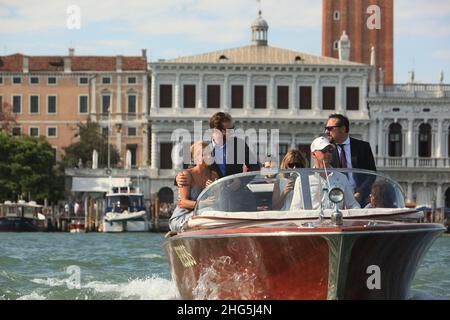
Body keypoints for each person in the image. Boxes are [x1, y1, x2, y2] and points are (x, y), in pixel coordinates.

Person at [290, 136, 360, 210]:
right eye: (324, 150)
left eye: (330, 150)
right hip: (312, 220)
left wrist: (360, 215)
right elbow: (295, 208)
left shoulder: (342, 178)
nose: (328, 153)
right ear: (313, 154)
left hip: (335, 220)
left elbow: (352, 204)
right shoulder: (302, 179)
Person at [325, 114, 376, 206]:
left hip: (360, 199)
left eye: (330, 128)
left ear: (343, 129)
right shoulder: (327, 151)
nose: (326, 132)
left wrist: (359, 194)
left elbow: (371, 175)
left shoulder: (363, 147)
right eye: (326, 128)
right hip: (335, 199)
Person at [169, 141, 220, 232]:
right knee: (210, 213)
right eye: (204, 154)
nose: (209, 157)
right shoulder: (187, 174)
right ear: (195, 158)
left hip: (204, 216)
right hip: (182, 217)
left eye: (210, 153)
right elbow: (183, 203)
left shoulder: (214, 175)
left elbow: (216, 200)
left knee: (215, 214)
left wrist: (215, 190)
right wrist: (203, 203)